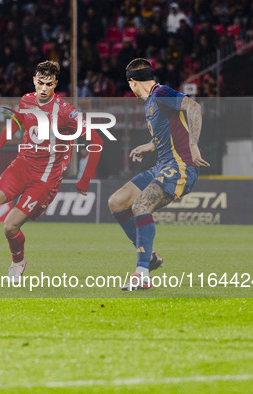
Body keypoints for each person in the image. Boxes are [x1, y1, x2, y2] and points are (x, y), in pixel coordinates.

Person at [0, 61, 104, 280]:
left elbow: (97, 141)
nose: (43, 88)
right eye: (40, 83)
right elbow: (17, 120)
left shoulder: (66, 112)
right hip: (21, 166)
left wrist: (85, 178)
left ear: (55, 84)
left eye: (48, 84)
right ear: (34, 80)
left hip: (45, 178)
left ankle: (18, 262)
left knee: (9, 227)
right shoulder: (26, 99)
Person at [107, 58, 210, 291]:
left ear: (133, 82)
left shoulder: (161, 92)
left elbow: (194, 108)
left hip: (181, 166)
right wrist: (150, 146)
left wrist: (194, 145)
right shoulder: (152, 101)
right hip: (162, 165)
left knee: (141, 206)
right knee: (117, 202)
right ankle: (150, 257)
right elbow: (171, 130)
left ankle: (142, 273)